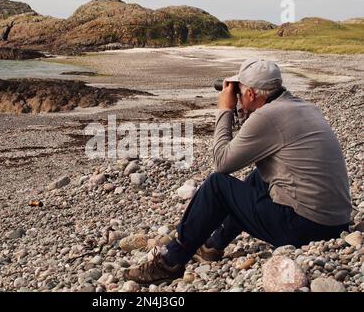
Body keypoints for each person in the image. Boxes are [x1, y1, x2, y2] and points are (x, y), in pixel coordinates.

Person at [124, 59, 351, 285]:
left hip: (304, 228)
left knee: (217, 185)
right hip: (336, 224)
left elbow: (222, 162)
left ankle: (170, 261)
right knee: (259, 177)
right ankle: (213, 245)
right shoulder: (304, 107)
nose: (237, 96)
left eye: (239, 91)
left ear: (251, 94)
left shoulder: (267, 116)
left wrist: (225, 110)